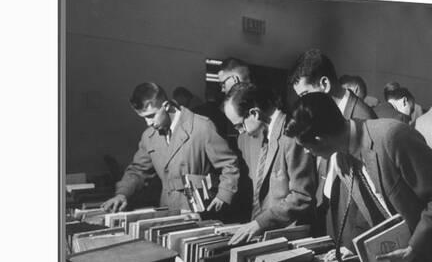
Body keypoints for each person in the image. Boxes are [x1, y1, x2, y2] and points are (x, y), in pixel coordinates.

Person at [285, 92, 432, 262]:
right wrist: (355, 250)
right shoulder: (341, 159)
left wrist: (412, 248)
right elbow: (369, 213)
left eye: (305, 146)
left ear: (320, 139)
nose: (306, 152)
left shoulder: (394, 137)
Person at [101, 82, 240, 213]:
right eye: (143, 117)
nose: (148, 123)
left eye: (151, 116)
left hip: (199, 208)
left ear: (166, 106)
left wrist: (224, 195)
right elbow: (137, 170)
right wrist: (122, 193)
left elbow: (229, 164)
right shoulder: (149, 136)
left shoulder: (201, 127)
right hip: (167, 207)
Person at [289, 49, 377, 233]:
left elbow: (370, 193)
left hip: (352, 220)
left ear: (324, 84)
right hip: (330, 208)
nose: (304, 103)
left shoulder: (362, 116)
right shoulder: (322, 117)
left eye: (305, 95)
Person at [223, 83, 316, 244]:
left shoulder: (291, 135)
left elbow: (302, 196)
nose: (240, 132)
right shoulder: (265, 135)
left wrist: (259, 223)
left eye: (239, 125)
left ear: (254, 113)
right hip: (268, 233)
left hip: (288, 235)